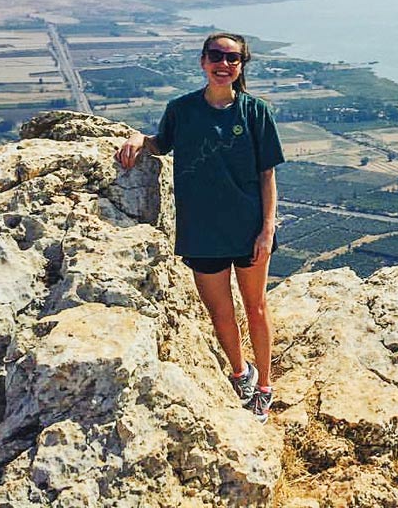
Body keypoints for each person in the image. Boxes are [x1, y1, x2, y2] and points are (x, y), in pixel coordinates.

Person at [115, 32, 284, 423]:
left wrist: (267, 229)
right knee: (220, 311)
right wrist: (138, 137)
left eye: (233, 58)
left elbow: (267, 174)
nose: (223, 64)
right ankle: (240, 373)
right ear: (202, 61)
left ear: (241, 66)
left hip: (247, 227)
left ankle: (264, 387)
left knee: (256, 308)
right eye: (216, 56)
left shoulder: (256, 112)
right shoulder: (181, 109)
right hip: (202, 229)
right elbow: (162, 143)